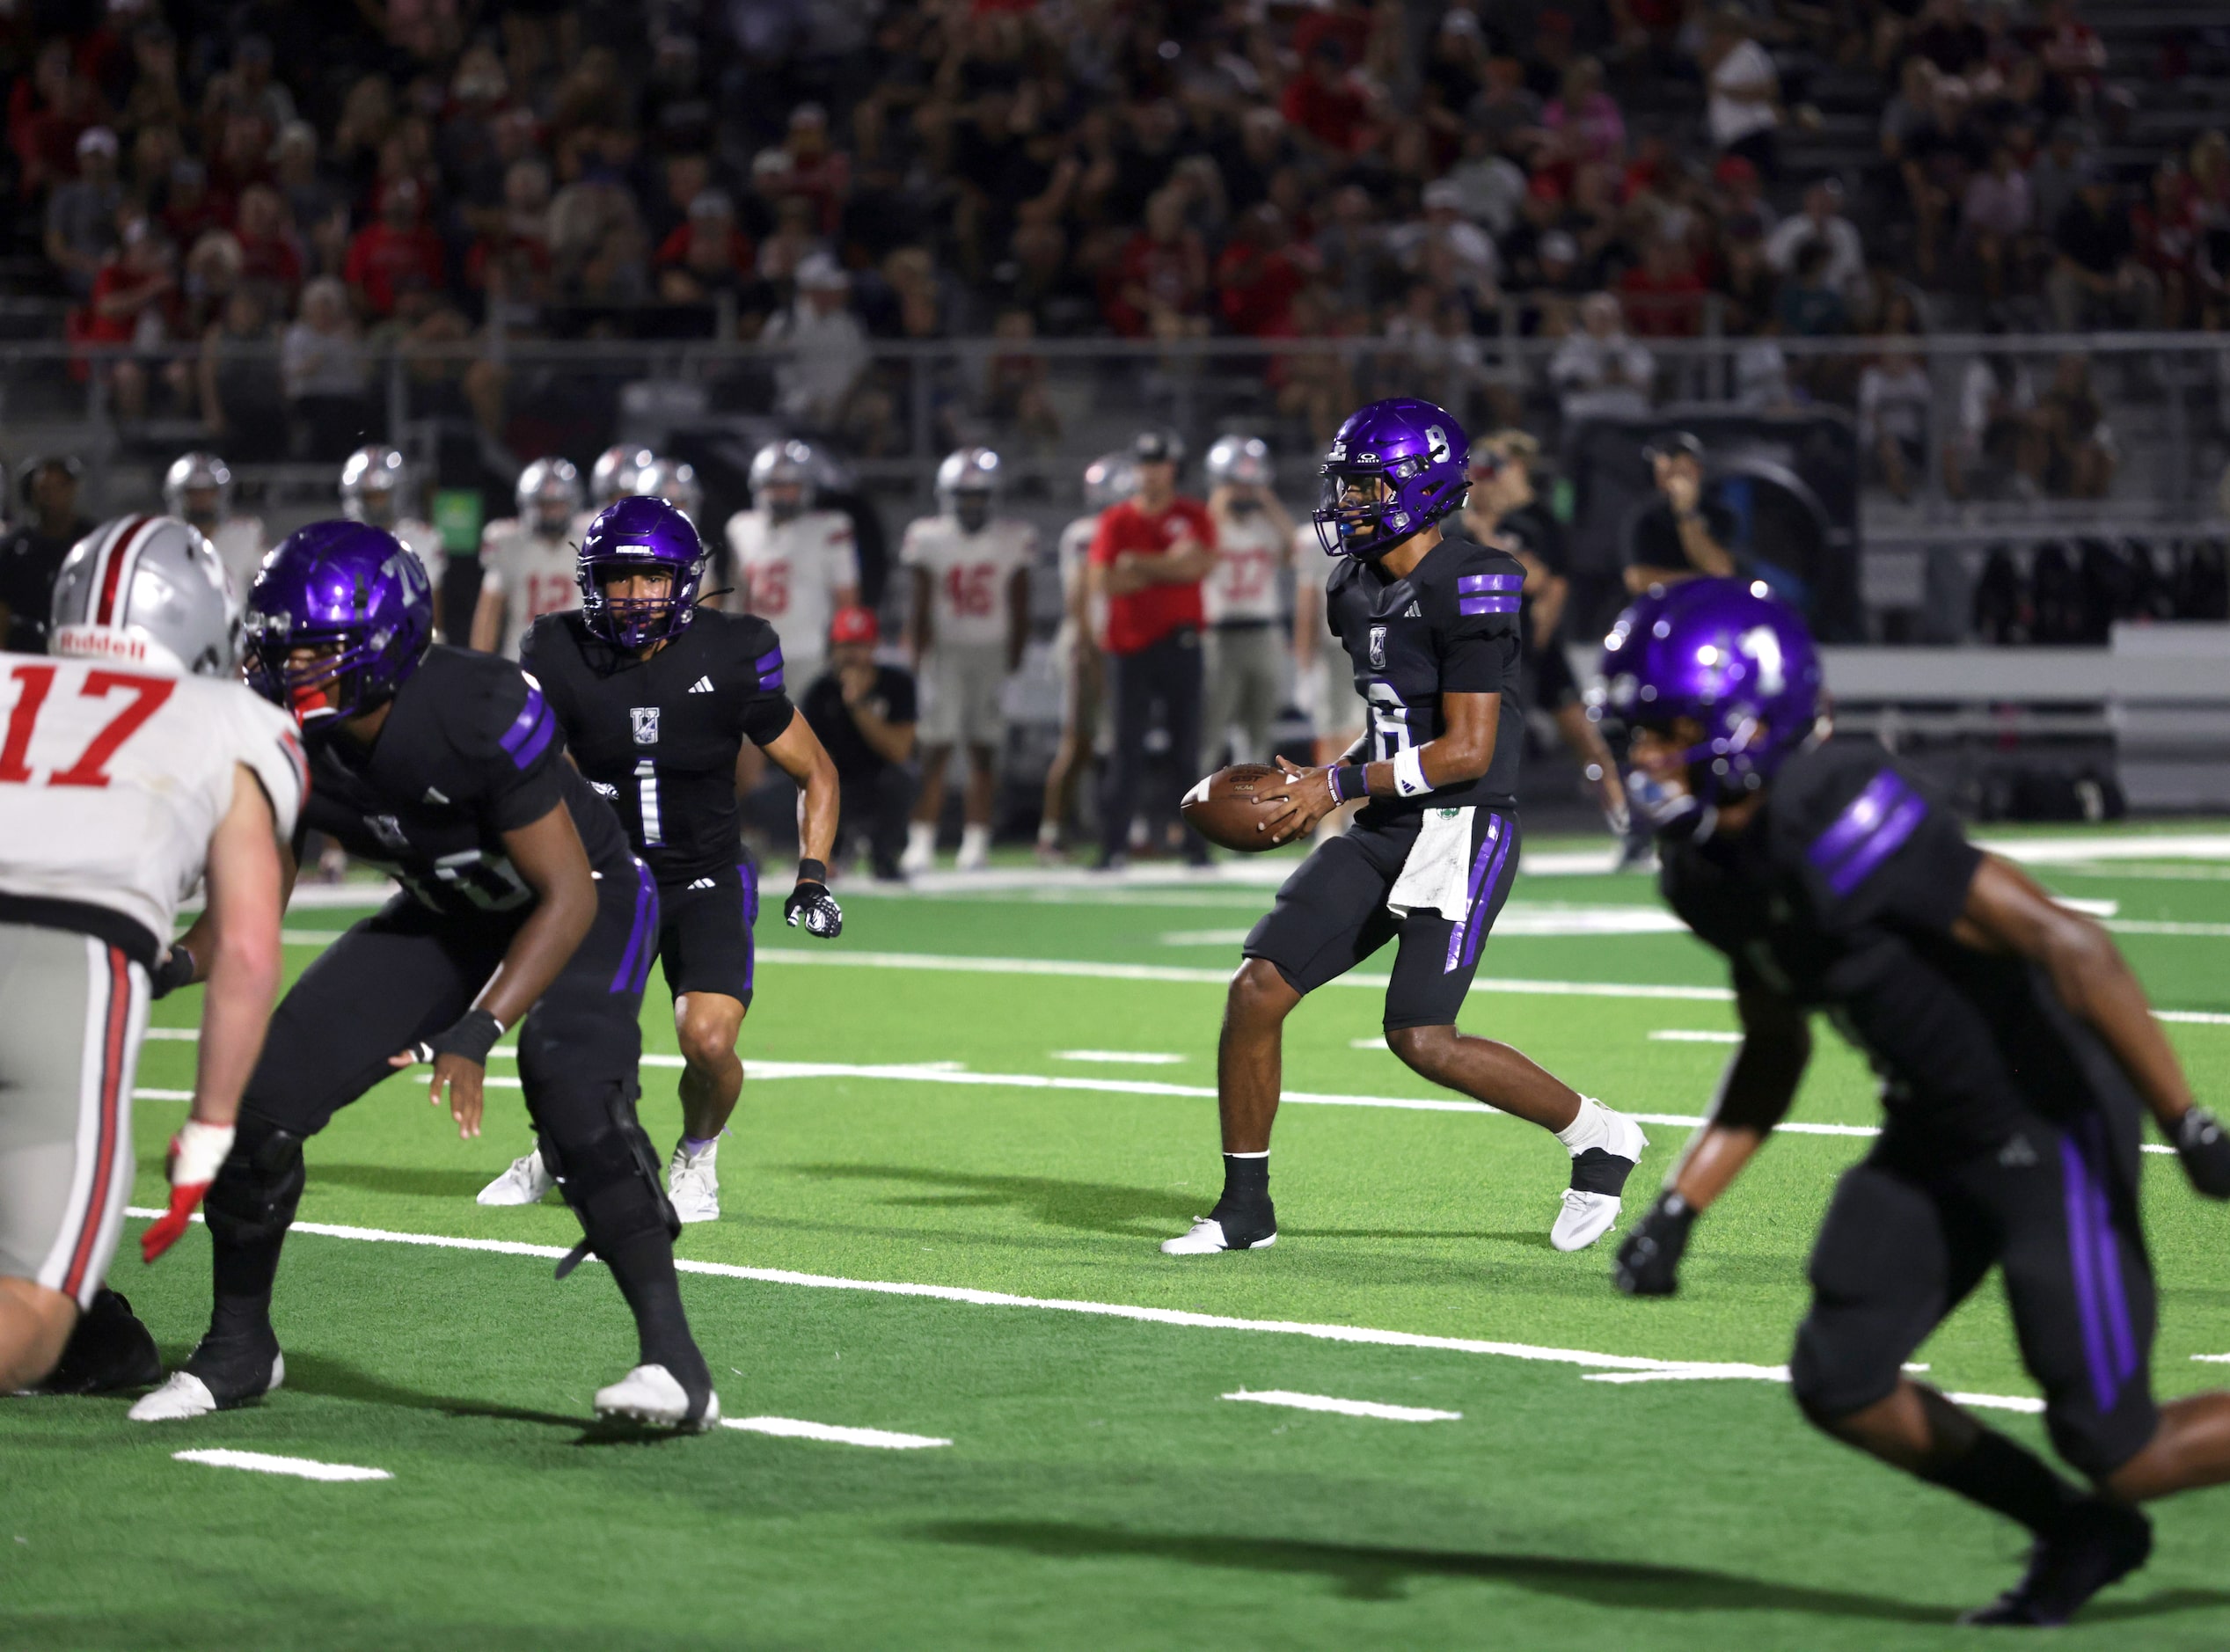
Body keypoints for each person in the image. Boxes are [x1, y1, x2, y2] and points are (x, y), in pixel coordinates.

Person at [1604, 579, 2230, 1626]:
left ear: (1752, 721)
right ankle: (2077, 1534)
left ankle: (2100, 1504)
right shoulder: (1703, 870)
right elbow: (1773, 1043)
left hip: (2049, 1120)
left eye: (1669, 732)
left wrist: (2191, 1123)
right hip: (1935, 1130)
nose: (1646, 760)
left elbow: (2065, 943)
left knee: (2117, 1449)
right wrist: (1681, 1207)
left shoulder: (1837, 807)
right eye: (1638, 734)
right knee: (1840, 1378)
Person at [128, 519, 721, 1430]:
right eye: (281, 652)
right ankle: (242, 1347)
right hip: (450, 912)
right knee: (263, 1101)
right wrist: (161, 964)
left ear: (387, 639)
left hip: (583, 899)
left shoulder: (479, 705)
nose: (293, 674)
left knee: (570, 1088)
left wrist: (478, 1030)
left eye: (319, 652)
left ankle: (676, 1368)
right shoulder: (280, 735)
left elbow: (561, 894)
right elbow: (253, 903)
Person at [1162, 398, 1649, 1257]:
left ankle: (1599, 1136)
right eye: (1345, 486)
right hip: (1389, 820)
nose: (1349, 502)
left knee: (1420, 1037)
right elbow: (1394, 728)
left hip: (1463, 828)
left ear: (1421, 486)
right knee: (1257, 989)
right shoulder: (1353, 585)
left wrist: (1333, 784)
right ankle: (1245, 1208)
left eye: (1367, 486)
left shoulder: (1474, 578)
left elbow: (1466, 750)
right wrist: (1323, 781)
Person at [477, 495, 843, 1227]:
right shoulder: (556, 648)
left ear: (686, 581)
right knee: (568, 1039)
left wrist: (812, 874)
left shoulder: (733, 650)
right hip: (604, 878)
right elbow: (525, 766)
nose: (637, 595)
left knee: (707, 1041)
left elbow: (818, 772)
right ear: (592, 581)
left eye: (654, 579)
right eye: (620, 578)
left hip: (703, 873)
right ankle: (557, 1147)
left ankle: (697, 1155)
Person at [0, 516, 299, 1395]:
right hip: (67, 962)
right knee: (32, 1330)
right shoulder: (232, 719)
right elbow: (247, 945)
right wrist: (210, 1126)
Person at [1462, 431, 1627, 834]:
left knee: (1584, 740)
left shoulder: (1535, 521)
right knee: (1487, 744)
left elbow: (1544, 582)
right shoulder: (1466, 524)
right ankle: (1481, 825)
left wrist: (1485, 533)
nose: (1487, 478)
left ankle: (1625, 819)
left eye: (1494, 466)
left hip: (1534, 649)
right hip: (1491, 649)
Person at [898, 448, 1033, 874]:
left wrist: (1014, 659)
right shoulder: (928, 537)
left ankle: (976, 842)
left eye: (979, 496)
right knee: (935, 748)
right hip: (945, 650)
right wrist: (917, 658)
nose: (972, 505)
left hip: (990, 649)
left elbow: (1021, 603)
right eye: (965, 496)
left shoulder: (1014, 538)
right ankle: (921, 839)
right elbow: (918, 603)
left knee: (984, 751)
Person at [1089, 429, 1217, 870]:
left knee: (1187, 747)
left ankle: (1195, 846)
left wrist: (1139, 563)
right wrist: (1170, 565)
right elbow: (1106, 581)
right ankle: (1113, 846)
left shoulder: (1193, 515)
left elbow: (1199, 567)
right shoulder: (1116, 520)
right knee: (1125, 748)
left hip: (1180, 640)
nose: (1151, 473)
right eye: (1145, 465)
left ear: (1172, 468)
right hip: (1128, 645)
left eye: (1158, 464)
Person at [1036, 452, 1130, 863]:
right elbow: (1079, 596)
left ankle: (1117, 829)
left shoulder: (1128, 526)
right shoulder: (1085, 533)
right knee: (1078, 742)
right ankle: (1051, 832)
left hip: (1120, 641)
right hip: (1085, 641)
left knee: (1114, 741)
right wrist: (1088, 647)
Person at [723, 440, 859, 698]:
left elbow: (847, 598)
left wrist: (845, 649)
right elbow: (735, 593)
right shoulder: (741, 526)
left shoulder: (831, 527)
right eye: (773, 485)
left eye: (789, 485)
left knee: (808, 730)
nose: (781, 494)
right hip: (755, 652)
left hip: (810, 651)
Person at [1201, 435, 1296, 770]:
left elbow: (1294, 550)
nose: (1243, 492)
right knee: (1209, 731)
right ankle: (1193, 813)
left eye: (1248, 485)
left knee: (1258, 731)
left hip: (1263, 632)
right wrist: (1218, 501)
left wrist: (1267, 500)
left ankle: (1246, 810)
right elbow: (1200, 550)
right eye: (1236, 485)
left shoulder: (1264, 525)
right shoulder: (1207, 524)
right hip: (1219, 634)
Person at [801, 605, 917, 881]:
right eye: (845, 645)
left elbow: (899, 751)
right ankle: (825, 851)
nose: (852, 654)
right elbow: (811, 760)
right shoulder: (819, 692)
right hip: (837, 785)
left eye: (860, 645)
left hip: (880, 783)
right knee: (803, 784)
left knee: (904, 777)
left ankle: (885, 853)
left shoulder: (898, 684)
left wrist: (857, 706)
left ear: (875, 645)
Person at [472, 457, 583, 660]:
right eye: (545, 505)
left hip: (575, 663)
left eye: (558, 504)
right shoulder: (509, 543)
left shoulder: (588, 541)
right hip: (522, 659)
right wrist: (480, 666)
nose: (552, 512)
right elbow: (489, 614)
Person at [1623, 431, 1738, 595]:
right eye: (1668, 473)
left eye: (1683, 471)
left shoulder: (1722, 516)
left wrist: (1686, 513)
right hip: (1662, 610)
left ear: (1698, 471)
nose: (1675, 481)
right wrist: (1703, 580)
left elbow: (1722, 573)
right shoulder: (1645, 518)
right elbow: (1637, 580)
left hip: (1706, 610)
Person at [0, 457, 94, 654]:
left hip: (79, 648)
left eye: (58, 487)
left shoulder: (93, 542)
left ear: (72, 490)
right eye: (43, 489)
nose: (50, 496)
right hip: (25, 651)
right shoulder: (13, 547)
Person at [339, 444, 442, 594]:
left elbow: (431, 605)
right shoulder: (344, 541)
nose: (375, 505)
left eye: (381, 495)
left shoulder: (421, 539)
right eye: (369, 496)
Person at [163, 451, 267, 598]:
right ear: (180, 497)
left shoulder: (244, 534)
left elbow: (271, 577)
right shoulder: (167, 538)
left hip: (230, 620)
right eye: (193, 493)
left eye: (208, 492)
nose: (201, 500)